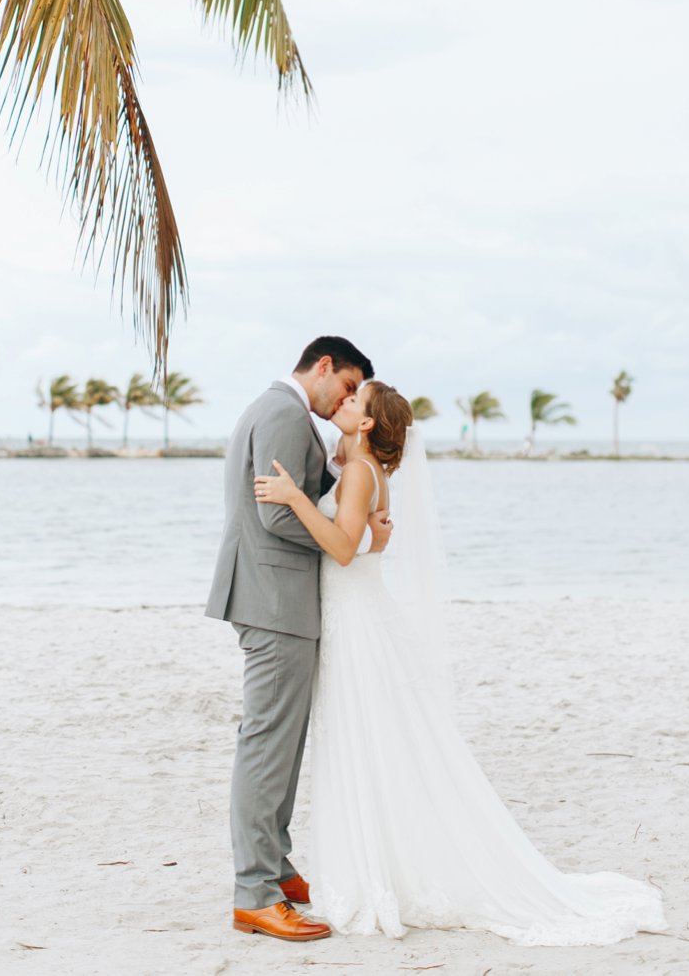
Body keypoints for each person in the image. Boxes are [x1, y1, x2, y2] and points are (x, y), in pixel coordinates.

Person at [254, 380, 667, 945]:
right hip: (360, 613)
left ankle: (378, 872)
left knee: (364, 740)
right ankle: (383, 865)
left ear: (369, 422)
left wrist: (295, 497)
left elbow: (347, 547)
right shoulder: (361, 466)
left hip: (355, 623)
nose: (344, 401)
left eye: (356, 400)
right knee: (373, 742)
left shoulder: (356, 472)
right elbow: (375, 543)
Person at [205, 336, 391, 943]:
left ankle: (277, 872)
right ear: (325, 366)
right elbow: (277, 514)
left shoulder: (275, 409)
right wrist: (351, 536)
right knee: (266, 744)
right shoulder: (284, 411)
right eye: (346, 386)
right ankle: (255, 891)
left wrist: (345, 504)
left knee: (279, 744)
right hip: (274, 598)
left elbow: (292, 502)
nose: (345, 400)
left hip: (273, 595)